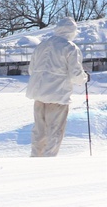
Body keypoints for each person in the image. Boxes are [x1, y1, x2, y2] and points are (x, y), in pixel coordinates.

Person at [25, 16, 88, 157]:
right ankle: (49, 161)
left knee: (39, 130)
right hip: (57, 95)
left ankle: (35, 158)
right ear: (72, 31)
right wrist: (85, 77)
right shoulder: (70, 47)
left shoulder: (42, 45)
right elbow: (76, 75)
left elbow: (31, 70)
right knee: (55, 130)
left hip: (38, 93)